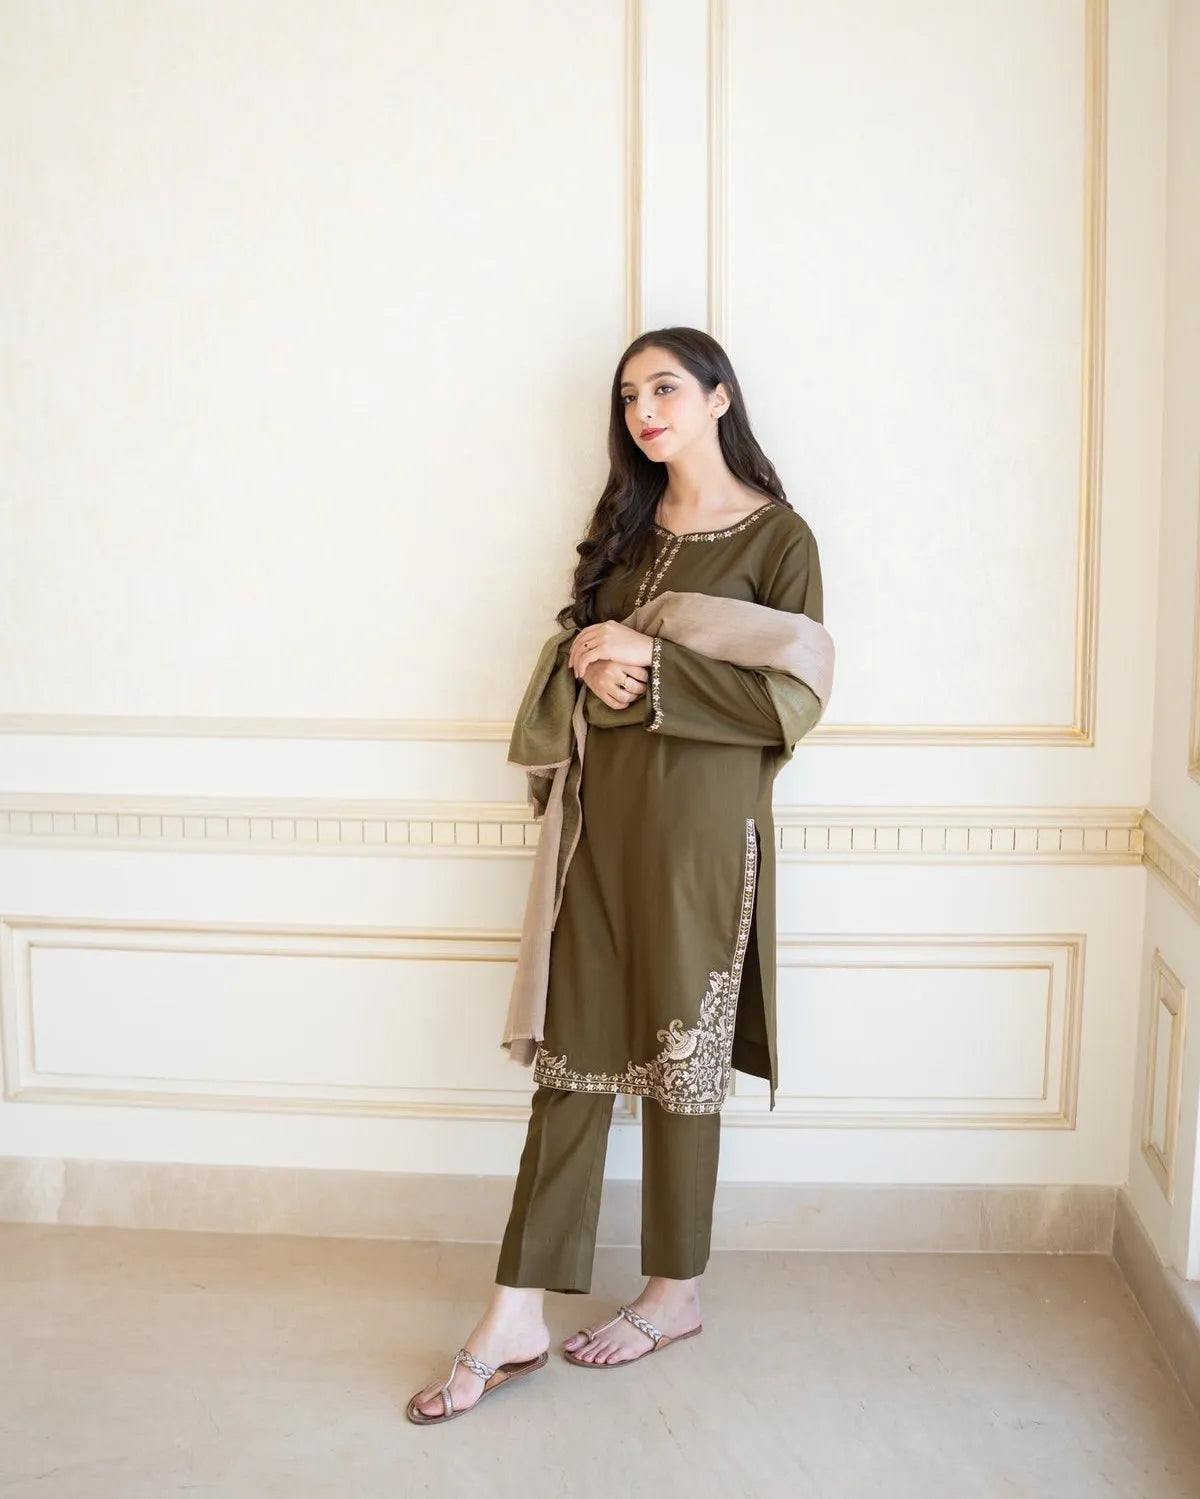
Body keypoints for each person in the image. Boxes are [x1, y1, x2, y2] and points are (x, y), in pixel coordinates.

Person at [407, 326, 827, 1426]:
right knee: (573, 1058)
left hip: (700, 830)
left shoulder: (781, 539)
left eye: (666, 388)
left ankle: (674, 1289)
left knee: (682, 1061)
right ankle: (514, 1313)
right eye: (630, 395)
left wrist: (652, 661)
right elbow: (584, 668)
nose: (645, 410)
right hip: (601, 827)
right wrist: (589, 651)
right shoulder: (627, 535)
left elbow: (791, 700)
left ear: (720, 396)